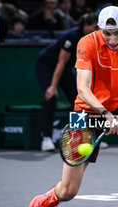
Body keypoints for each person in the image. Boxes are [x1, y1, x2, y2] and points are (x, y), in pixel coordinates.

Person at [28, 6, 118, 207]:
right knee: (69, 191)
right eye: (107, 33)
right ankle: (53, 196)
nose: (112, 39)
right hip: (86, 111)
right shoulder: (86, 43)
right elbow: (82, 89)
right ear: (99, 28)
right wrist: (106, 115)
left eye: (117, 33)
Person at [35, 12, 98, 151]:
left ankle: (80, 137)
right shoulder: (72, 36)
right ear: (86, 25)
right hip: (47, 65)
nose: (96, 31)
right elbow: (61, 62)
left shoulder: (92, 39)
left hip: (65, 68)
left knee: (79, 100)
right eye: (94, 28)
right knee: (51, 97)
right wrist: (52, 86)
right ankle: (46, 138)